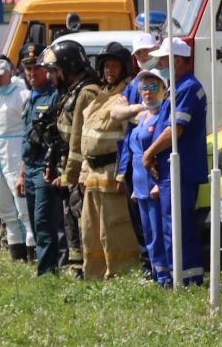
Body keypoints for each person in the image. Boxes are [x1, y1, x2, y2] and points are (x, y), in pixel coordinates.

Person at [138, 37, 210, 286]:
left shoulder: (187, 87)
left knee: (178, 226)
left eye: (162, 58)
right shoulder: (177, 87)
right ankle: (173, 278)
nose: (158, 62)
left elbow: (174, 130)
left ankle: (187, 281)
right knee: (170, 225)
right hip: (171, 169)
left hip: (181, 168)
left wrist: (148, 155)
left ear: (177, 60)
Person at [67, 41, 142, 280]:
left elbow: (130, 139)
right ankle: (95, 276)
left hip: (112, 174)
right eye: (106, 66)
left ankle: (121, 275)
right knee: (91, 230)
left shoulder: (126, 96)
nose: (110, 70)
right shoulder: (100, 95)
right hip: (92, 176)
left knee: (115, 230)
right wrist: (81, 174)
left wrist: (123, 174)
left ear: (124, 68)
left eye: (115, 66)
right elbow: (85, 139)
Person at [41, 39, 92, 271]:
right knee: (70, 216)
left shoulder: (86, 92)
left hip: (80, 170)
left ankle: (86, 267)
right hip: (67, 167)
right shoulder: (68, 92)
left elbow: (79, 138)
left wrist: (70, 173)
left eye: (54, 71)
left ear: (69, 68)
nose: (51, 77)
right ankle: (76, 265)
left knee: (81, 217)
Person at [0, 58, 32, 262]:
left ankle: (32, 251)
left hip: (15, 155)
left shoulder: (22, 96)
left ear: (9, 74)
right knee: (4, 206)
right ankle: (16, 252)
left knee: (23, 205)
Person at [19, 48, 65, 274]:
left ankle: (47, 273)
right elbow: (27, 138)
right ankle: (46, 267)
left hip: (44, 168)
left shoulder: (54, 96)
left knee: (44, 221)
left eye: (36, 67)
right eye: (27, 68)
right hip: (29, 167)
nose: (31, 73)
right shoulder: (30, 99)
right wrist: (21, 172)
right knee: (36, 225)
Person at [128, 68, 170, 280]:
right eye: (144, 87)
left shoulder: (163, 116)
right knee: (148, 234)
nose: (148, 91)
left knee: (159, 233)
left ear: (163, 89)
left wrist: (158, 183)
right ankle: (155, 273)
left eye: (154, 87)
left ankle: (164, 277)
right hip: (140, 186)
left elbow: (164, 153)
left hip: (154, 185)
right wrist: (136, 189)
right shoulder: (142, 117)